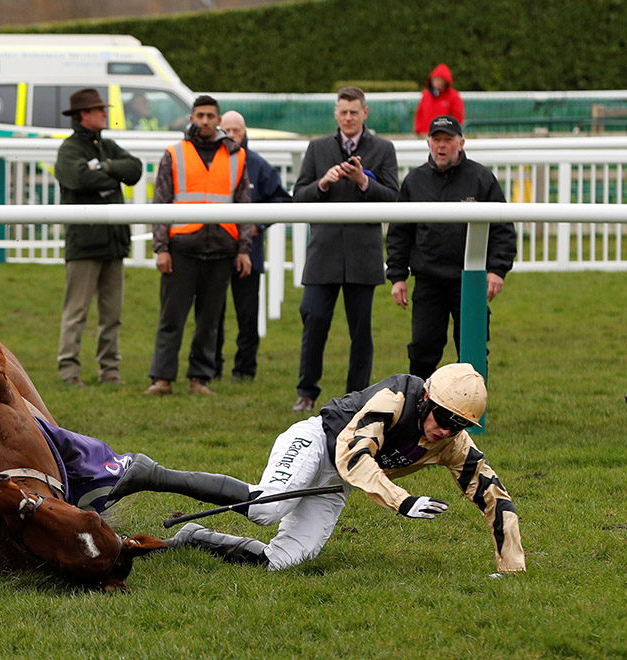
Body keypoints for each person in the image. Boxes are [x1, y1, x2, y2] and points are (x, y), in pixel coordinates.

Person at [107, 363, 526, 574]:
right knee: (266, 508)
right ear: (426, 400)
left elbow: (494, 496)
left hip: (338, 483)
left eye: (457, 425)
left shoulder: (452, 442)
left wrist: (511, 568)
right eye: (440, 417)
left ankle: (195, 537)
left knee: (286, 561)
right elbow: (353, 455)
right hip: (317, 444)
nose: (442, 431)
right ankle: (151, 473)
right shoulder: (395, 398)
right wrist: (402, 501)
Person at [290, 87, 400, 413]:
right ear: (335, 114)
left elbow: (394, 198)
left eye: (354, 112)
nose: (348, 118)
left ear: (365, 113)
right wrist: (323, 183)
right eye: (343, 112)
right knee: (313, 318)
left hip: (362, 254)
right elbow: (299, 197)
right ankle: (306, 391)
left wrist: (363, 182)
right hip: (323, 252)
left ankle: (357, 396)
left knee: (361, 330)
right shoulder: (318, 147)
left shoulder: (382, 149)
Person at [387, 115, 517, 379]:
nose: (442, 146)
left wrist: (497, 271)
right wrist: (398, 276)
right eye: (437, 140)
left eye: (448, 139)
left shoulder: (481, 178)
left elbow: (502, 229)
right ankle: (422, 415)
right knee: (422, 350)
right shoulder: (414, 181)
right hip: (428, 280)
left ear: (461, 142)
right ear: (428, 142)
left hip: (470, 281)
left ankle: (472, 417)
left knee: (473, 352)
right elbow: (400, 233)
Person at [145, 95, 253, 397]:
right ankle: (162, 378)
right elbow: (160, 202)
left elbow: (245, 205)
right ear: (192, 118)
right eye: (200, 115)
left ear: (219, 121)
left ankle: (200, 379)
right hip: (181, 248)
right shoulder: (175, 154)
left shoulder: (236, 156)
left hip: (221, 249)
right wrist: (161, 248)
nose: (205, 121)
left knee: (210, 321)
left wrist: (244, 249)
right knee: (171, 318)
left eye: (210, 116)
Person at [54, 88, 143, 387]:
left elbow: (135, 169)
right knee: (76, 312)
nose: (106, 114)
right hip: (85, 244)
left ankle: (110, 371)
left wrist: (103, 168)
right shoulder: (69, 150)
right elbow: (77, 178)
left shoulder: (106, 148)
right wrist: (113, 174)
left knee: (112, 314)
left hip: (113, 242)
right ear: (85, 115)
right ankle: (69, 371)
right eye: (100, 110)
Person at [214, 110, 292, 382]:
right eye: (227, 131)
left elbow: (282, 201)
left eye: (237, 131)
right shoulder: (211, 165)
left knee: (247, 316)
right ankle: (211, 369)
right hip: (215, 251)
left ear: (245, 133)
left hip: (250, 252)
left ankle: (245, 371)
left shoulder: (258, 166)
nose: (232, 136)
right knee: (213, 315)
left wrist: (257, 225)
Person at [414, 64, 465, 137]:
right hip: (425, 135)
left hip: (444, 137)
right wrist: (418, 130)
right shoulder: (426, 95)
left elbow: (457, 118)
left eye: (439, 79)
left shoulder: (454, 97)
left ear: (445, 81)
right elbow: (419, 113)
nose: (436, 82)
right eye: (434, 79)